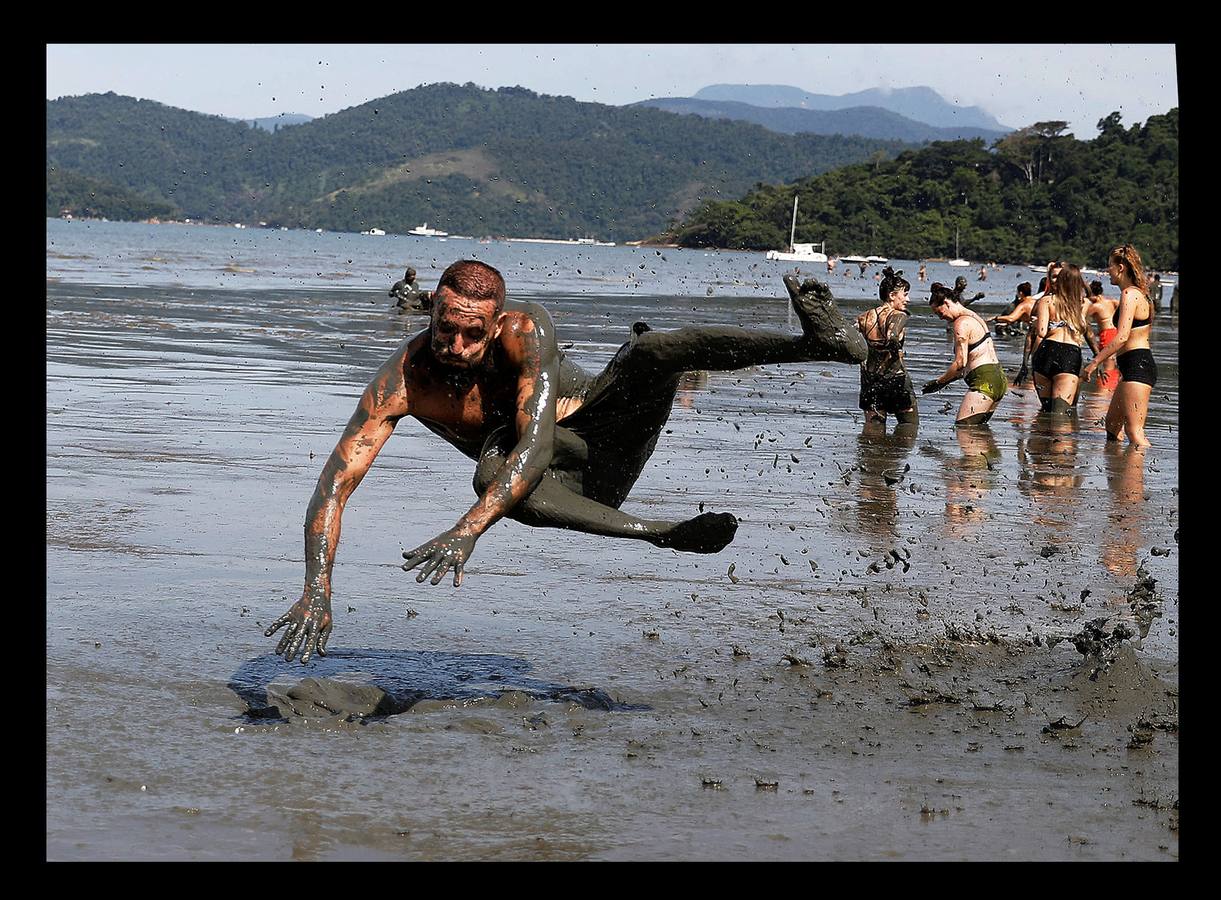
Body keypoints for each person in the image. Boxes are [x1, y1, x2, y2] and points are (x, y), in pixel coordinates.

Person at [265, 260, 869, 663]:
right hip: (569, 484)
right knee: (494, 467)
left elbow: (534, 443)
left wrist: (465, 531)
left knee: (651, 350)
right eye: (446, 331)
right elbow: (334, 486)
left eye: (472, 335)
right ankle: (663, 533)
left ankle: (813, 345)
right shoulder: (402, 379)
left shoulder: (527, 332)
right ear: (429, 313)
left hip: (606, 432)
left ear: (497, 322)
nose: (456, 348)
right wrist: (317, 587)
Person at [1082, 244, 1157, 448]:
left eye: (1110, 266)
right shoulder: (1139, 294)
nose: (1108, 271)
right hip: (1132, 367)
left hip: (1137, 367)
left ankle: (1138, 477)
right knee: (1112, 426)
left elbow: (1122, 336)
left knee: (1135, 432)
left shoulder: (1130, 295)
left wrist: (1094, 362)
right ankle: (1119, 475)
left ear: (1121, 267)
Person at [921, 282, 1007, 425]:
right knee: (979, 432)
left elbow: (960, 363)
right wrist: (946, 381)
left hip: (984, 383)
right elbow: (973, 358)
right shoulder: (974, 316)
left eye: (939, 313)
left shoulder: (961, 323)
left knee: (964, 429)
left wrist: (938, 382)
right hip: (998, 379)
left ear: (947, 303)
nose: (940, 318)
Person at [855, 266, 918, 426]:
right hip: (894, 378)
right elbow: (893, 336)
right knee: (909, 427)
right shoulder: (898, 315)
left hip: (869, 380)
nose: (908, 300)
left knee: (873, 430)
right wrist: (895, 353)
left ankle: (870, 450)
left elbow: (851, 340)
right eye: (905, 294)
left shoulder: (863, 317)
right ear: (892, 295)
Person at [1030, 263, 1094, 412]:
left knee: (1046, 410)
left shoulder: (1046, 301)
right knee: (1061, 414)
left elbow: (1041, 332)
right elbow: (1086, 330)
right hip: (1069, 355)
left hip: (1046, 352)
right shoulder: (1082, 304)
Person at [1084, 279, 1121, 390]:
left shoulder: (1096, 306)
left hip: (1106, 335)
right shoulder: (1112, 301)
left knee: (1106, 364)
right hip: (1116, 332)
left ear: (1093, 295)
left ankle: (1104, 390)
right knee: (1112, 364)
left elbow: (1082, 319)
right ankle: (1112, 388)